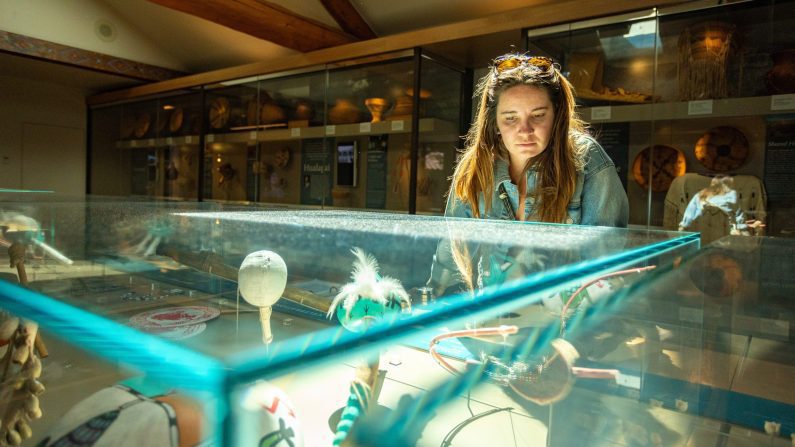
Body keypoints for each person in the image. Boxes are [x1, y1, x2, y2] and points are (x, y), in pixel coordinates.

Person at [445, 53, 628, 226]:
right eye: (510, 118)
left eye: (538, 115)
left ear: (557, 116)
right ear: (494, 122)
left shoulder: (587, 159)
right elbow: (450, 254)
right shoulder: (475, 166)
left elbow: (604, 253)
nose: (525, 131)